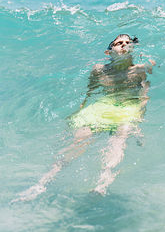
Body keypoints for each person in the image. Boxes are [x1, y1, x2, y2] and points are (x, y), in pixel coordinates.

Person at [13, 34, 155, 201]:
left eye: (127, 43)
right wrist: (78, 114)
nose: (123, 45)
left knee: (119, 138)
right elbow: (90, 93)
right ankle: (43, 182)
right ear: (108, 52)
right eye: (119, 43)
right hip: (102, 106)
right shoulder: (98, 70)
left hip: (127, 107)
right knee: (79, 140)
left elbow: (144, 96)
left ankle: (102, 184)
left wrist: (138, 121)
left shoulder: (140, 69)